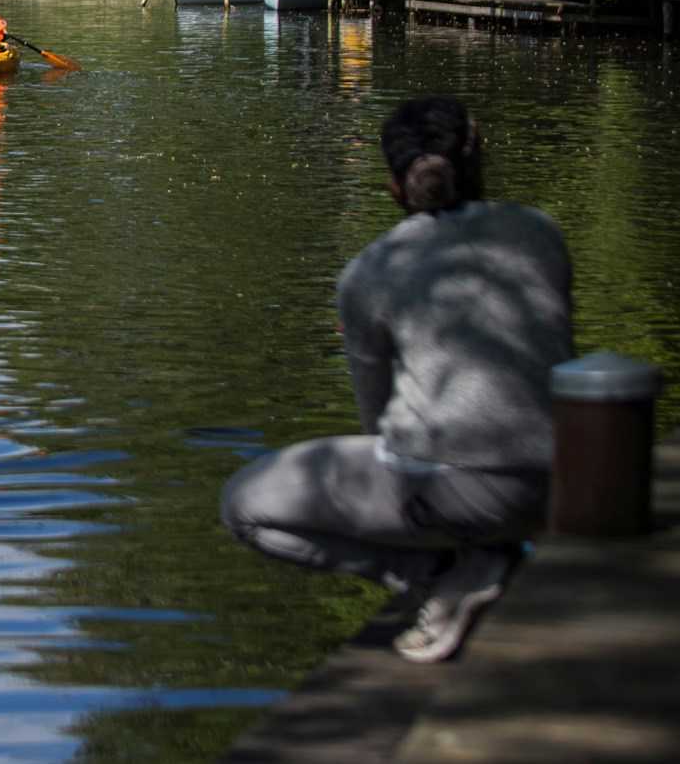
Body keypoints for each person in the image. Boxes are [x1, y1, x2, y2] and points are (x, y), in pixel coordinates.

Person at [220, 95, 574, 663]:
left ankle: (434, 575)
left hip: (457, 496)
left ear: (393, 184)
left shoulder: (370, 272)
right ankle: (483, 558)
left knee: (243, 505)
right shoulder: (541, 232)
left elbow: (380, 423)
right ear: (478, 159)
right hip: (564, 484)